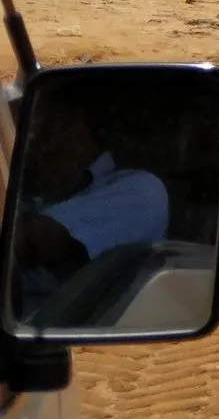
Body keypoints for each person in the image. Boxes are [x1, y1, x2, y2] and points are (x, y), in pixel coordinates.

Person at [16, 97, 168, 282]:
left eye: (42, 123)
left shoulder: (142, 189)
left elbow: (33, 242)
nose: (33, 138)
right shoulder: (28, 192)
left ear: (76, 124)